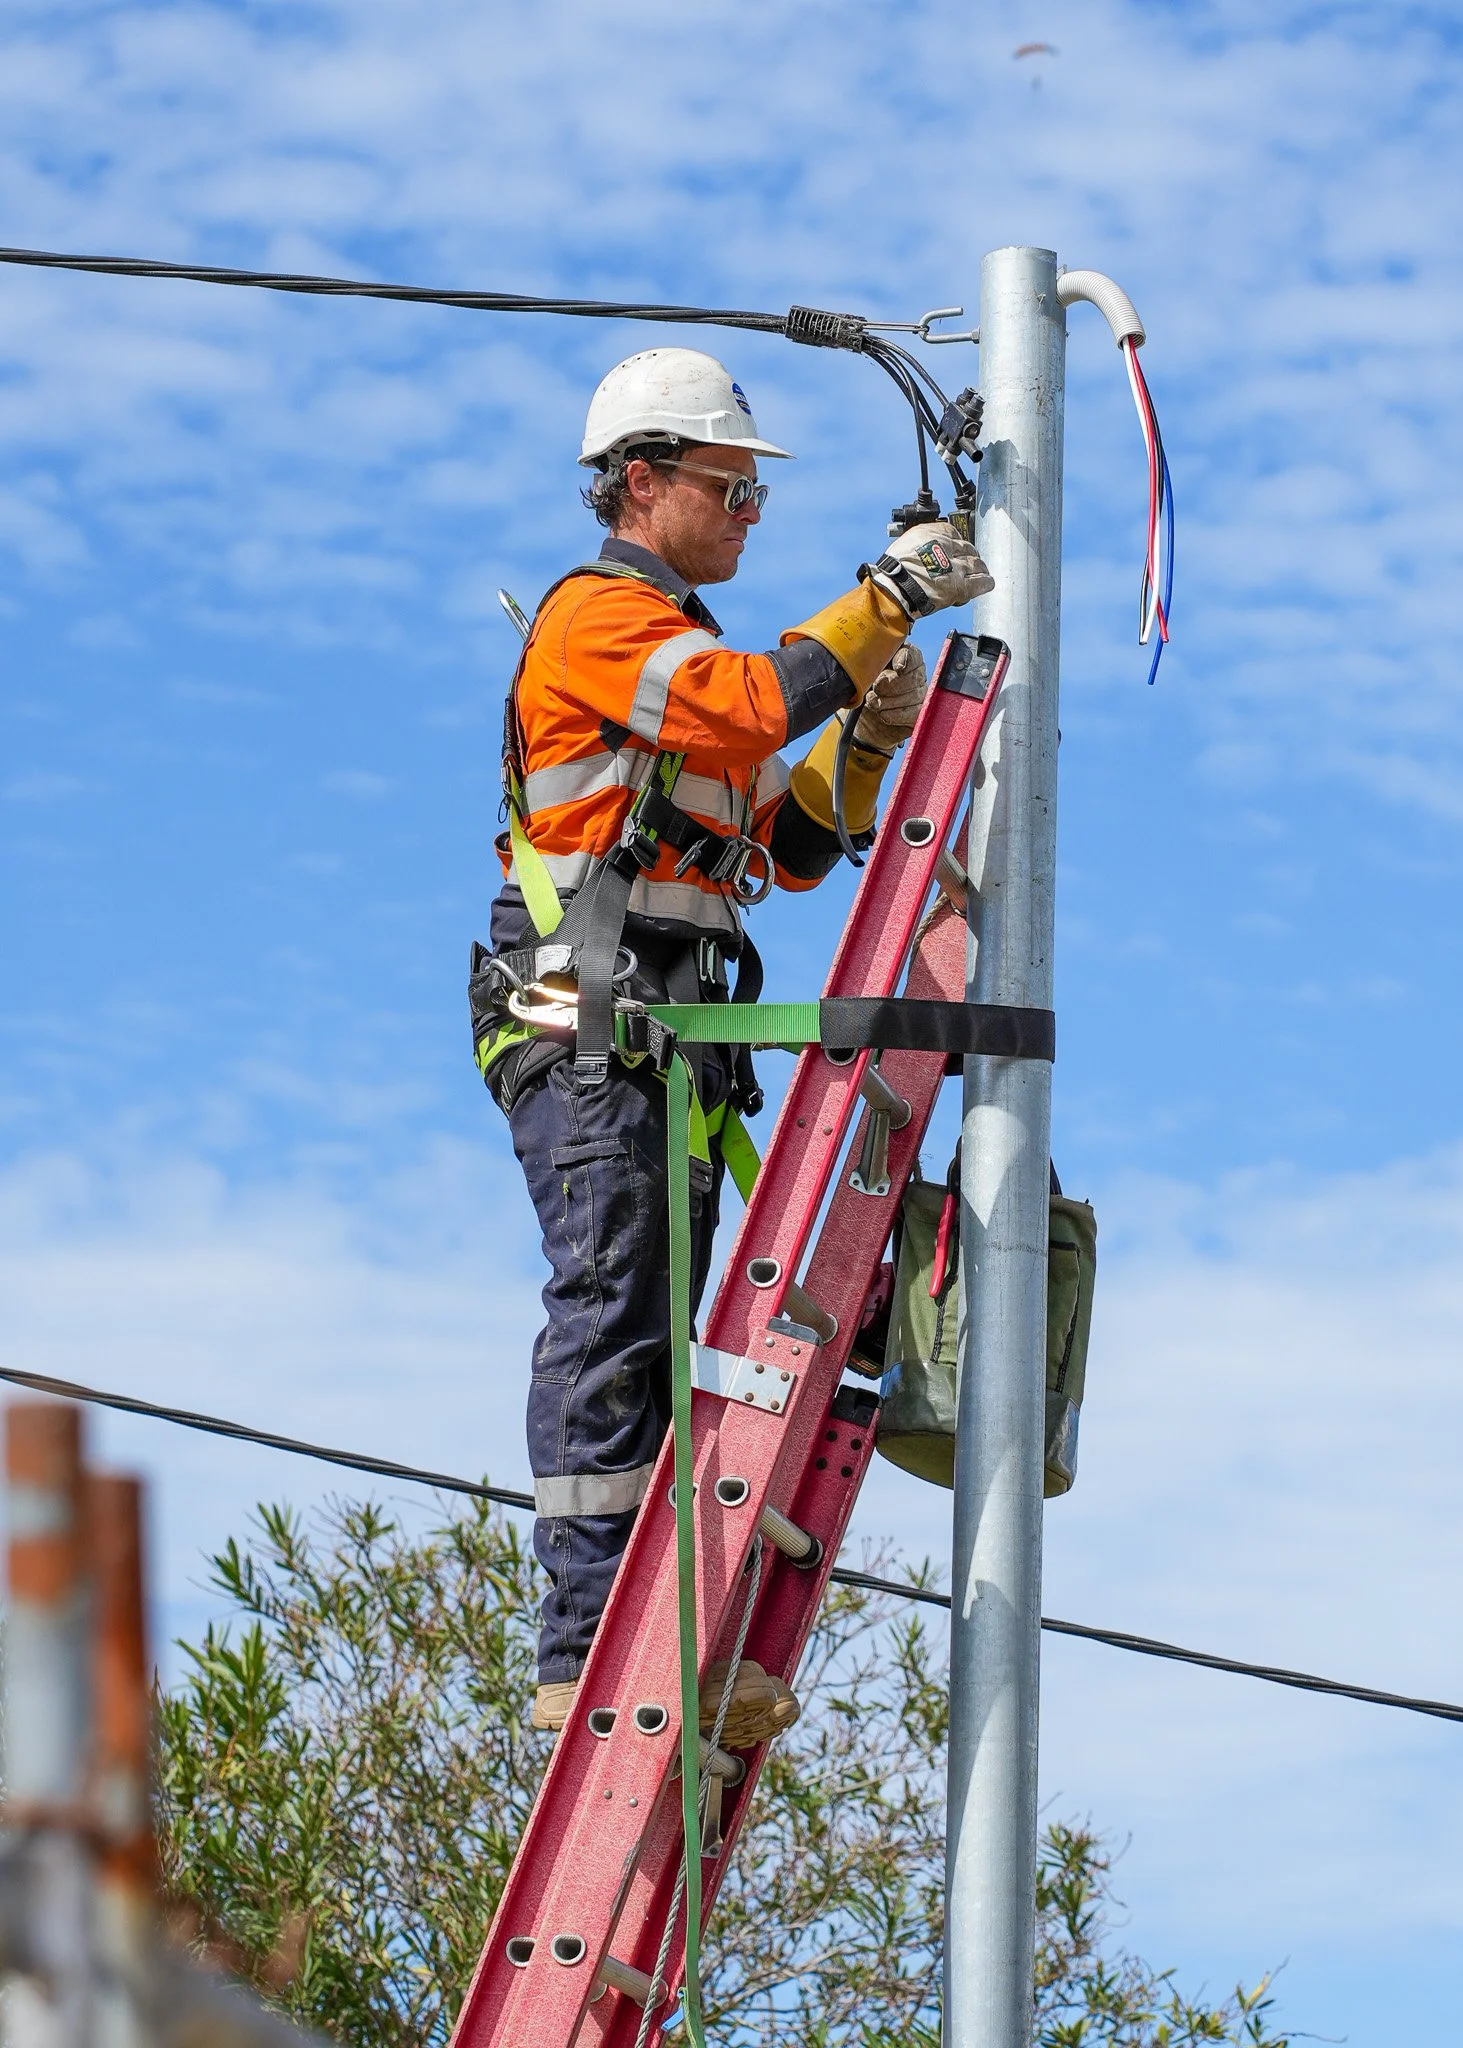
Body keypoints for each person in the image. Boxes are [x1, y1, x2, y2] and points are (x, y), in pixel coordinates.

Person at [471, 347, 991, 1736]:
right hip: (585, 1019)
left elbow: (801, 840)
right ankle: (585, 1650)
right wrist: (883, 602)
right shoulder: (602, 623)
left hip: (664, 1028)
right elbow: (755, 706)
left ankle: (673, 1638)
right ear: (640, 483)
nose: (748, 513)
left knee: (685, 1334)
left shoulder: (680, 655)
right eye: (729, 487)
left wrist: (873, 721)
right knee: (616, 1311)